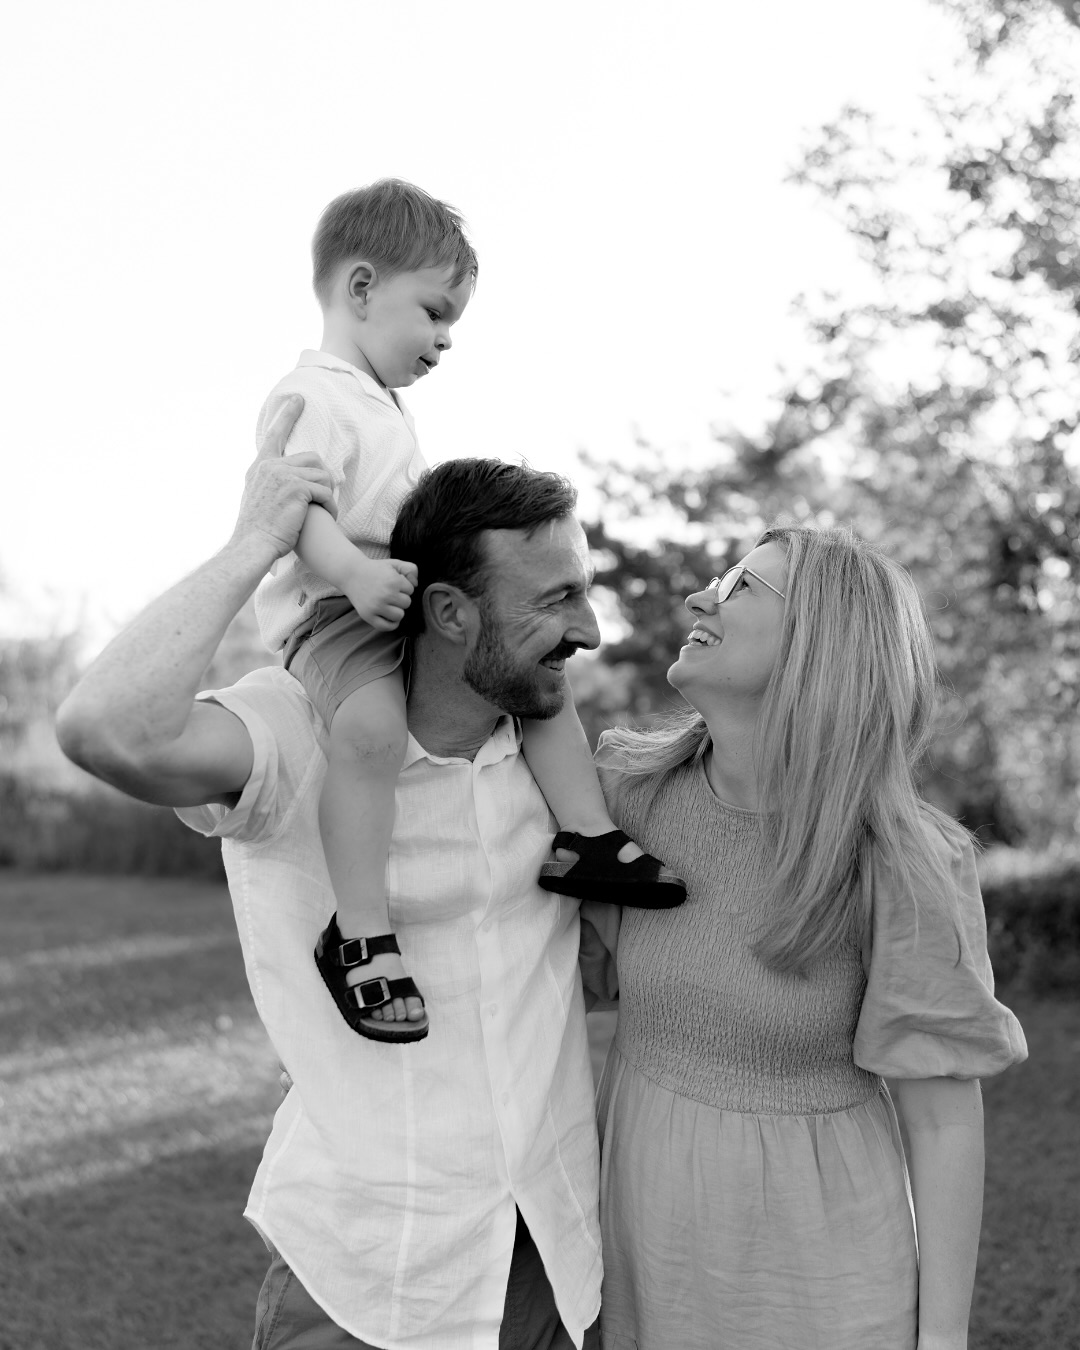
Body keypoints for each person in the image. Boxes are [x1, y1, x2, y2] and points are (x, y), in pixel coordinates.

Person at [56, 402, 603, 1350]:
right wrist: (253, 545)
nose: (589, 630)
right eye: (554, 601)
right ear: (448, 611)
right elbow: (103, 730)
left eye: (583, 592)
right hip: (364, 1280)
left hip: (550, 1264)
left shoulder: (564, 766)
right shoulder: (293, 731)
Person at [580, 525, 1028, 1350]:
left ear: (821, 646)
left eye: (744, 587)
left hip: (824, 1284)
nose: (700, 597)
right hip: (650, 1259)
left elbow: (940, 1120)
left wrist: (944, 1340)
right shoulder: (624, 799)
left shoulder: (904, 863)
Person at [255, 179, 682, 1043]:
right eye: (436, 312)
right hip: (334, 612)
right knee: (371, 730)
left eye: (454, 324)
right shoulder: (311, 398)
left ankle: (587, 837)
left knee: (532, 679)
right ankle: (362, 931)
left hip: (397, 598)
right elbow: (293, 513)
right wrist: (355, 575)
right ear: (363, 287)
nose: (445, 340)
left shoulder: (384, 405)